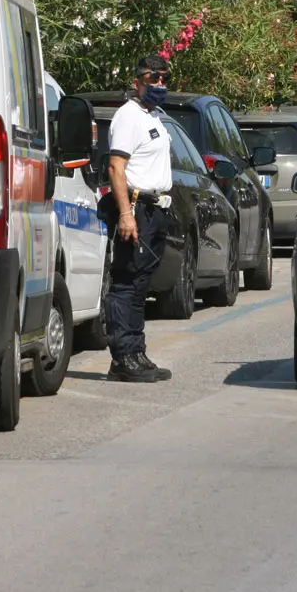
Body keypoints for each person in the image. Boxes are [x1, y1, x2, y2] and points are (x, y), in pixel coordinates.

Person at [104, 55, 175, 383]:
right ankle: (122, 357)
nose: (158, 84)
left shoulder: (153, 116)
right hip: (136, 208)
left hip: (155, 208)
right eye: (152, 78)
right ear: (137, 81)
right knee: (127, 283)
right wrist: (125, 214)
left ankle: (136, 352)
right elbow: (116, 168)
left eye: (163, 78)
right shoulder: (128, 116)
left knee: (141, 283)